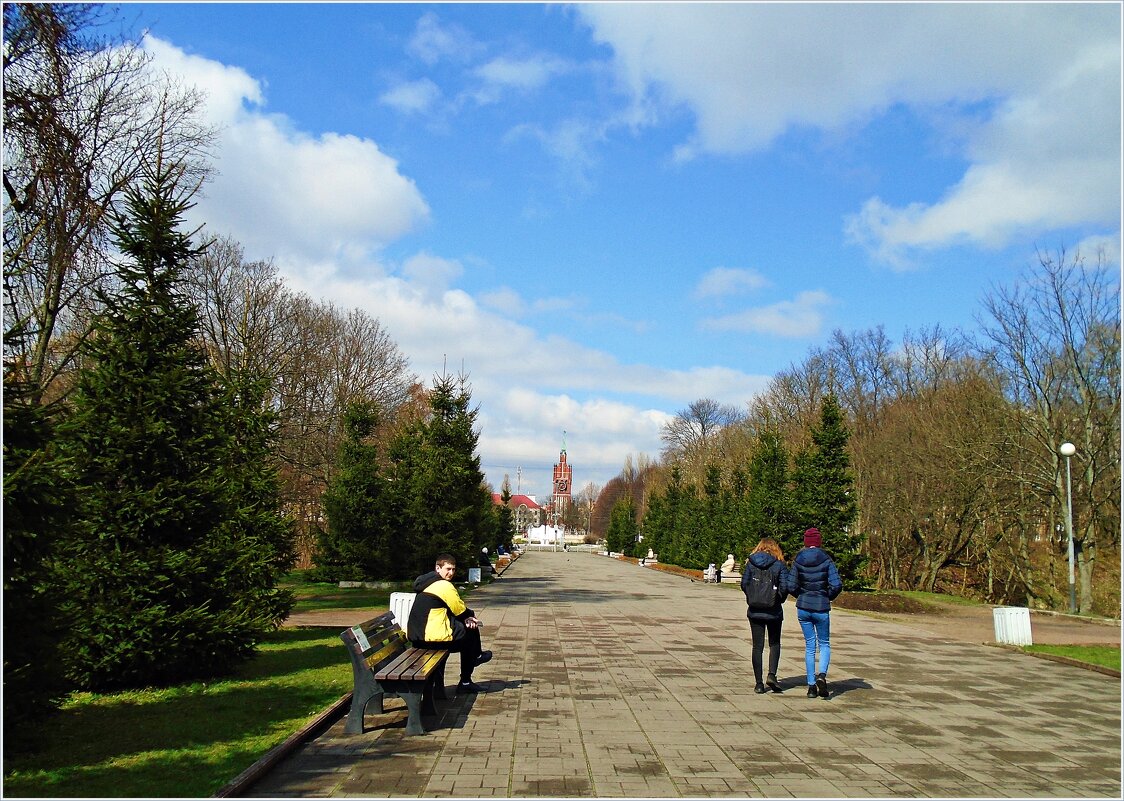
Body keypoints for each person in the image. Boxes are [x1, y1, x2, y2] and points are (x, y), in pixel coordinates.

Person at [407, 553, 493, 694]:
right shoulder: (443, 585)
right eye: (448, 569)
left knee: (468, 630)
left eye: (453, 569)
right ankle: (469, 673)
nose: (451, 573)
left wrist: (466, 617)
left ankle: (473, 663)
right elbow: (459, 609)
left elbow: (452, 610)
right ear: (438, 568)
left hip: (420, 636)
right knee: (470, 632)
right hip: (430, 639)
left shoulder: (428, 583)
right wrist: (470, 617)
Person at [788, 528, 843, 699]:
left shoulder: (798, 559)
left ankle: (811, 686)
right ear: (819, 542)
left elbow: (791, 585)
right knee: (824, 643)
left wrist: (802, 596)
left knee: (810, 646)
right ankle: (822, 675)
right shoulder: (827, 560)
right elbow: (836, 585)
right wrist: (826, 597)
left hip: (803, 608)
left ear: (805, 542)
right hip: (821, 607)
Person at [741, 537, 790, 694]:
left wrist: (752, 597)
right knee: (774, 643)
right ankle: (772, 675)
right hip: (774, 610)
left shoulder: (751, 563)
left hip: (755, 609)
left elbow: (744, 584)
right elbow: (785, 586)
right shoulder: (779, 565)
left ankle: (758, 683)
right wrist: (777, 599)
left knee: (757, 646)